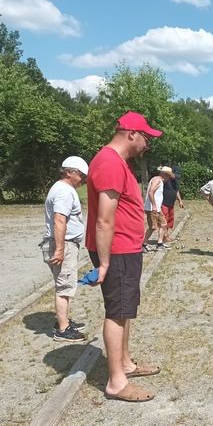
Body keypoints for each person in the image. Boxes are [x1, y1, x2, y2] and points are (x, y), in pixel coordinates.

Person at [86, 111, 163, 403]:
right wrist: (105, 263)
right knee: (117, 311)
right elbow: (104, 219)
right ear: (131, 133)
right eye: (146, 138)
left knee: (125, 308)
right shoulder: (108, 162)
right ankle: (116, 382)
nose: (147, 144)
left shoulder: (118, 162)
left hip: (125, 249)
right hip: (116, 251)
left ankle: (126, 364)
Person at [41, 156, 89, 342]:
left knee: (64, 283)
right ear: (69, 172)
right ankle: (62, 329)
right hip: (64, 243)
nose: (83, 180)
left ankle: (64, 320)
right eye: (81, 175)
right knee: (65, 286)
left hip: (64, 243)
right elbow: (59, 220)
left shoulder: (62, 189)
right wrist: (60, 249)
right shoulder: (64, 191)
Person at [143, 166, 175, 251]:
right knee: (153, 227)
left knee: (163, 224)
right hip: (152, 208)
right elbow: (151, 192)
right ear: (165, 174)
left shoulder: (158, 180)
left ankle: (159, 244)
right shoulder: (157, 180)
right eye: (168, 176)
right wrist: (154, 205)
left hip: (156, 208)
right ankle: (143, 244)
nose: (169, 178)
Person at [161, 164, 184, 243]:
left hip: (171, 204)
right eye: (175, 175)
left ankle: (166, 236)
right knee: (164, 221)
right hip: (164, 203)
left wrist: (180, 201)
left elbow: (176, 191)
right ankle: (164, 238)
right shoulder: (166, 179)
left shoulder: (175, 181)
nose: (176, 177)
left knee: (170, 221)